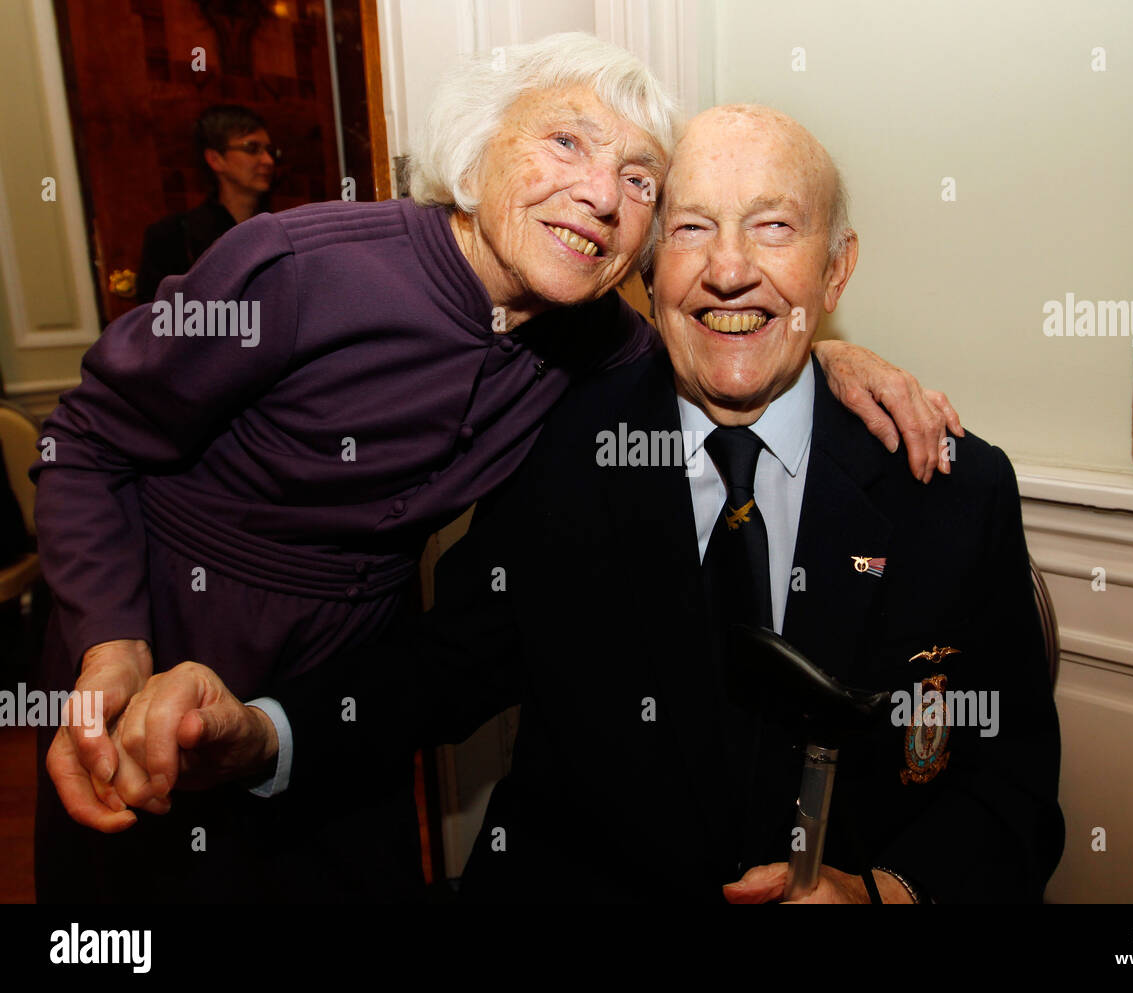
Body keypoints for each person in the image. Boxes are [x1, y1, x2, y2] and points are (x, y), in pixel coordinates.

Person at [35, 35, 960, 903]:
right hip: (161, 632)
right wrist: (111, 640)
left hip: (358, 679)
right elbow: (84, 441)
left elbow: (727, 332)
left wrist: (832, 356)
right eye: (565, 142)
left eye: (639, 179)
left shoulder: (594, 343)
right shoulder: (293, 269)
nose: (601, 194)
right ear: (475, 159)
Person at [135, 105, 277, 303]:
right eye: (251, 148)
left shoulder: (279, 231)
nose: (268, 160)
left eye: (270, 151)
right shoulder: (172, 236)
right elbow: (156, 321)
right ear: (215, 159)